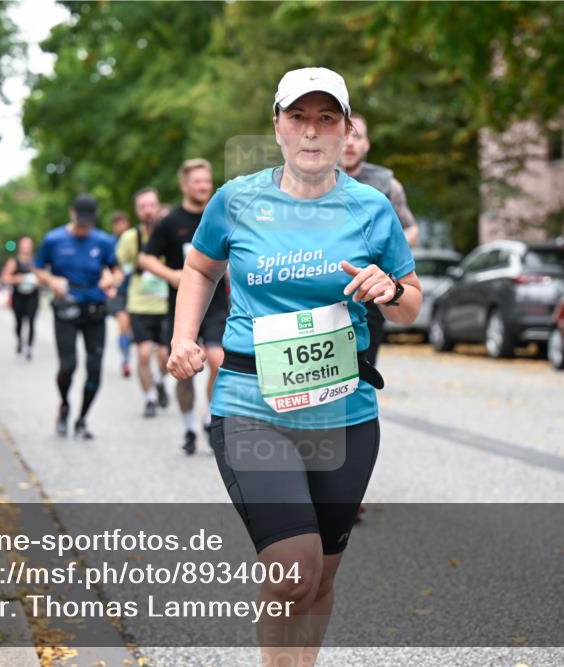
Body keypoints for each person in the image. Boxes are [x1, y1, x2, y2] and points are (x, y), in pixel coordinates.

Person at [167, 67, 421, 665]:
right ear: (277, 126)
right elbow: (201, 269)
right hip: (252, 405)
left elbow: (411, 304)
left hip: (345, 413)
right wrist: (185, 337)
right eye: (298, 118)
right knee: (290, 570)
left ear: (346, 130)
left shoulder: (371, 207)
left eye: (326, 119)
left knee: (321, 579)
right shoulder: (237, 200)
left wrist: (389, 289)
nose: (312, 132)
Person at [139, 159, 230, 455]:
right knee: (185, 371)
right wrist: (173, 275)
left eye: (207, 180)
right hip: (181, 308)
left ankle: (208, 419)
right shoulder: (170, 222)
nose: (203, 186)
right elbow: (146, 258)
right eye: (197, 182)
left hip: (216, 305)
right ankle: (190, 426)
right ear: (184, 186)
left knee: (218, 361)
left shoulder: (220, 216)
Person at [35, 194, 123, 440]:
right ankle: (64, 405)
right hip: (66, 307)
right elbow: (37, 267)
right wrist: (52, 280)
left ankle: (82, 419)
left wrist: (112, 279)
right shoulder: (54, 239)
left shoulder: (103, 241)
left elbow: (116, 270)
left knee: (94, 369)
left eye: (89, 222)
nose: (85, 227)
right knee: (68, 366)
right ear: (71, 213)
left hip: (95, 308)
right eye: (81, 222)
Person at [341, 111, 419, 365]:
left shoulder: (387, 185)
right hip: (323, 284)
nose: (350, 142)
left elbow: (411, 229)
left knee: (363, 366)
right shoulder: (310, 180)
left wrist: (387, 258)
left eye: (358, 137)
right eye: (346, 135)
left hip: (370, 289)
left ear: (367, 144)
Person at [118, 187, 170, 418]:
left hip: (166, 304)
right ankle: (149, 398)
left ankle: (159, 380)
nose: (148, 211)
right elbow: (122, 265)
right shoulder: (131, 238)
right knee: (143, 354)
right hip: (139, 304)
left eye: (152, 205)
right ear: (137, 211)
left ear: (158, 206)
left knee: (166, 356)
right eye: (143, 207)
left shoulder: (171, 233)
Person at [1, 236, 40, 361]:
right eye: (24, 245)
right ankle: (19, 341)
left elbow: (44, 277)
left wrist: (37, 280)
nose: (26, 248)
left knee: (32, 321)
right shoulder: (14, 262)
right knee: (19, 322)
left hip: (33, 296)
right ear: (20, 247)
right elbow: (5, 278)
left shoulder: (36, 261)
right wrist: (17, 279)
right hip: (18, 296)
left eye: (29, 245)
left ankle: (29, 347)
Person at [109, 210, 134, 378]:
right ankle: (126, 359)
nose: (121, 227)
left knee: (130, 328)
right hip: (118, 291)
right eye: (118, 224)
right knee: (123, 324)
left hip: (134, 291)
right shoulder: (110, 244)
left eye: (124, 223)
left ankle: (127, 348)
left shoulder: (134, 240)